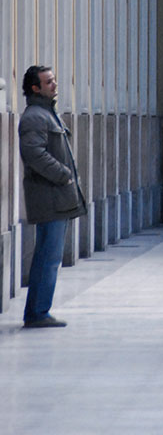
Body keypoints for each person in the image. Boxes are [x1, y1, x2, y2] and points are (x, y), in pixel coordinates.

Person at [18, 66, 86, 328]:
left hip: (56, 197)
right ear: (35, 88)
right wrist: (63, 174)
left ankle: (38, 311)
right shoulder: (36, 116)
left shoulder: (46, 114)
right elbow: (34, 154)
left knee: (48, 256)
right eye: (48, 81)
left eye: (54, 79)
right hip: (50, 197)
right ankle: (37, 313)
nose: (54, 84)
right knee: (49, 258)